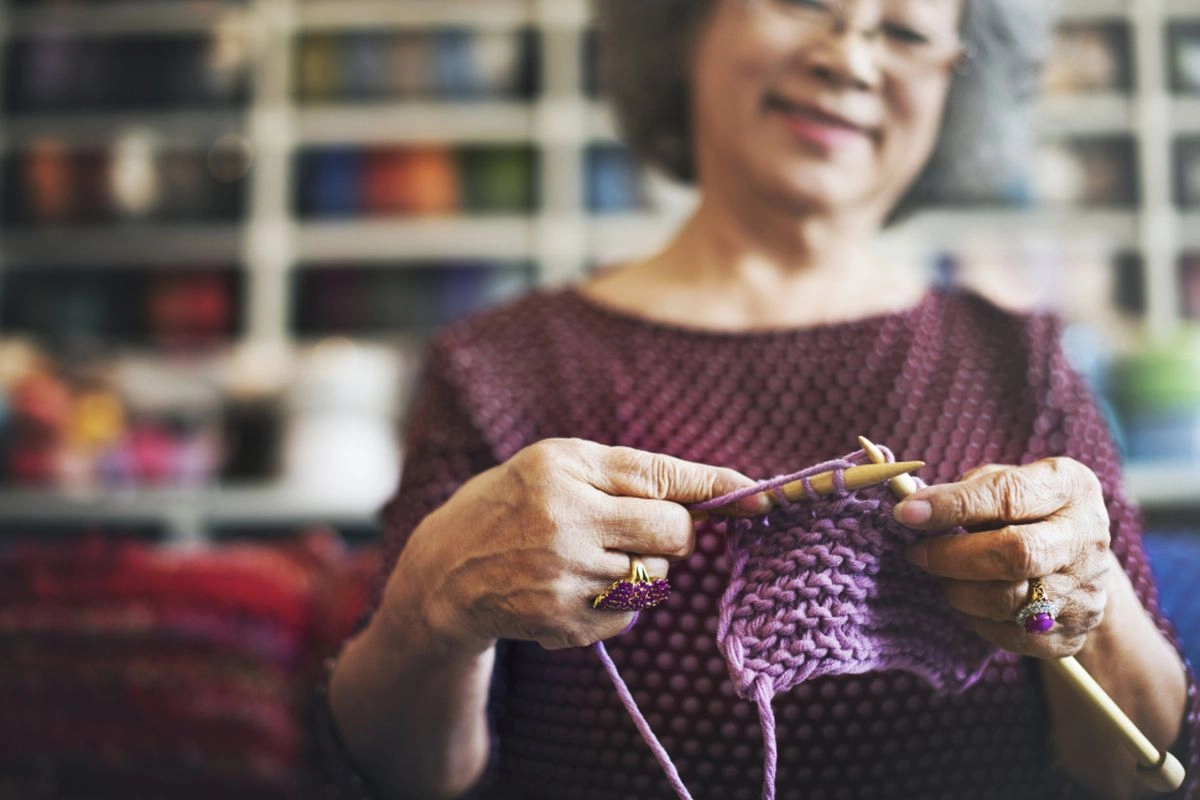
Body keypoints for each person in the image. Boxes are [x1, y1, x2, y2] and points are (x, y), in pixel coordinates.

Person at [321, 1, 1199, 798]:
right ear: (687, 24)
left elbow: (1143, 774)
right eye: (805, 4)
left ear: (956, 85)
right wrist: (435, 599)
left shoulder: (1024, 364)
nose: (848, 58)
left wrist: (1079, 615)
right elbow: (404, 776)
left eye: (904, 32)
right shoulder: (498, 367)